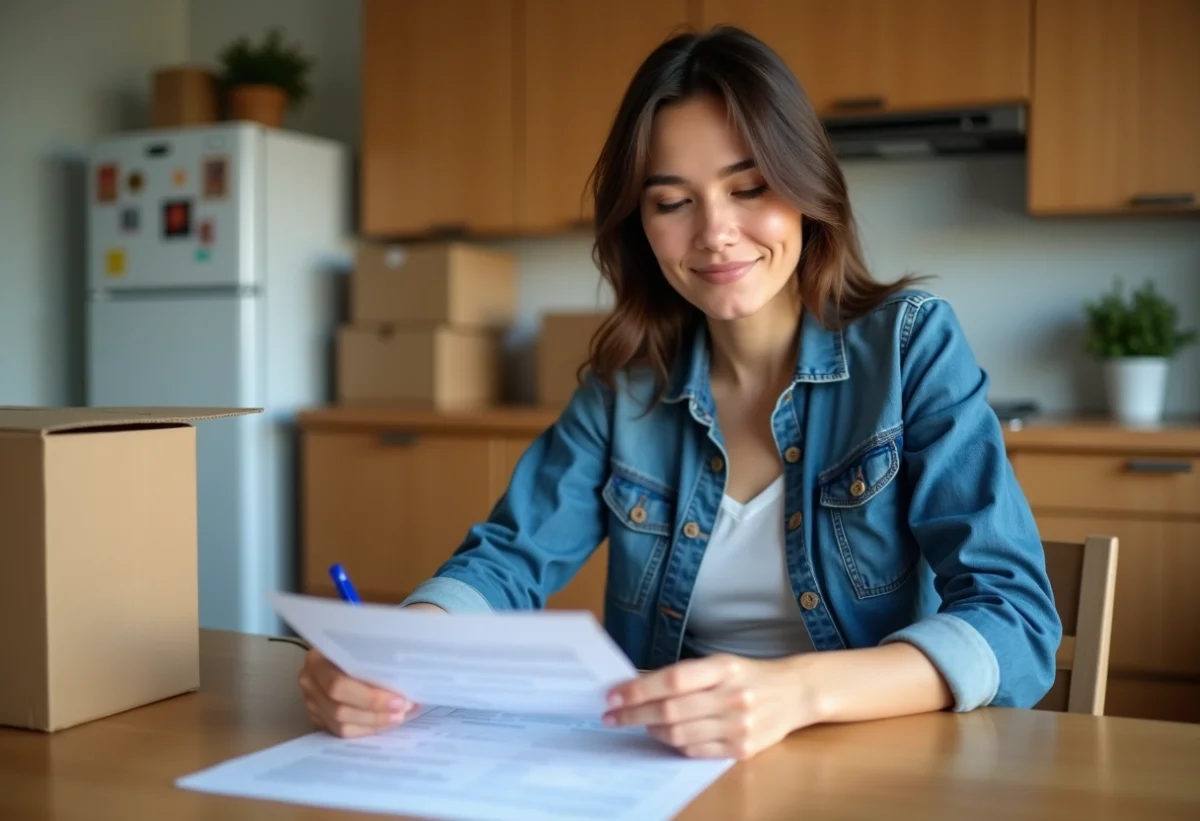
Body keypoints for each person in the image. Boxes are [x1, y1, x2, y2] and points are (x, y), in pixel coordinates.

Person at [298, 25, 1061, 760]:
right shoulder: (626, 385)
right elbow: (507, 559)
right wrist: (395, 652)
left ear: (807, 188)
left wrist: (795, 691)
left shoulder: (909, 345)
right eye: (672, 202)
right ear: (640, 225)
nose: (715, 232)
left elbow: (1015, 620)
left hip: (873, 761)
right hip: (669, 763)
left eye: (749, 187)